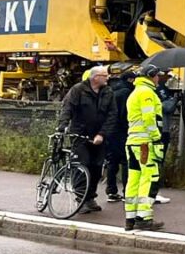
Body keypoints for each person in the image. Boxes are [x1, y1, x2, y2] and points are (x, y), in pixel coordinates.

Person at [61, 65, 111, 214]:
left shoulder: (108, 93)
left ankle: (90, 197)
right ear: (95, 77)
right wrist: (62, 126)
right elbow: (67, 108)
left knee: (96, 167)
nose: (107, 77)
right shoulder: (78, 90)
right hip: (80, 134)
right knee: (82, 165)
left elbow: (111, 115)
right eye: (104, 75)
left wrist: (102, 134)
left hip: (99, 136)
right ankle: (81, 198)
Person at [124, 63, 166, 231]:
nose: (159, 79)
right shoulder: (147, 93)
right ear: (151, 76)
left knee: (133, 180)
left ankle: (130, 218)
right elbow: (149, 119)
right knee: (149, 178)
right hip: (145, 143)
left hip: (133, 142)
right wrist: (156, 137)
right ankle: (144, 217)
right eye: (157, 76)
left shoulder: (135, 93)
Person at [103, 68, 135, 202]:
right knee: (126, 161)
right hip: (122, 131)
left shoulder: (112, 91)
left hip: (110, 130)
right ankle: (127, 190)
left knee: (112, 161)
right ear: (130, 79)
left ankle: (111, 191)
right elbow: (125, 113)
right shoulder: (127, 93)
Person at [150, 73, 177, 206]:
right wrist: (174, 98)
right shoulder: (158, 90)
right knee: (156, 162)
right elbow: (167, 107)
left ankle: (152, 192)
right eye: (165, 74)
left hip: (156, 132)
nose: (168, 77)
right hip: (159, 131)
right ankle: (153, 192)